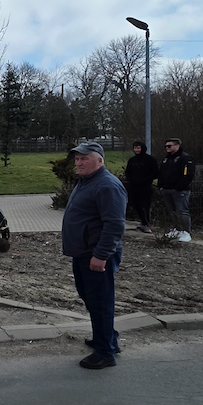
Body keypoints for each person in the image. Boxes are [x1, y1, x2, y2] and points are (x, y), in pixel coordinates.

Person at [61, 141, 126, 370]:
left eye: (84, 159)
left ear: (99, 160)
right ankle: (107, 338)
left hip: (96, 254)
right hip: (83, 252)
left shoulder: (107, 185)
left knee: (100, 302)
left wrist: (101, 255)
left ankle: (105, 353)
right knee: (90, 297)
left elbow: (114, 225)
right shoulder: (87, 181)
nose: (79, 163)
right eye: (77, 159)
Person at [158, 137, 196, 243]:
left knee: (182, 211)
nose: (167, 148)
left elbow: (188, 174)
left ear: (177, 146)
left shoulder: (185, 158)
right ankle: (177, 229)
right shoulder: (166, 159)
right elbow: (161, 172)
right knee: (172, 211)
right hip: (167, 189)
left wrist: (180, 186)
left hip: (180, 190)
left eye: (169, 146)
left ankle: (186, 232)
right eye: (166, 146)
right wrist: (161, 185)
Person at [124, 141, 159, 233]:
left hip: (145, 187)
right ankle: (142, 222)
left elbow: (155, 173)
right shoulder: (132, 160)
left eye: (138, 148)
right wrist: (130, 179)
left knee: (145, 206)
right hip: (134, 187)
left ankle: (146, 224)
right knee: (137, 205)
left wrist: (145, 180)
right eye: (135, 148)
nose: (136, 150)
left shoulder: (150, 159)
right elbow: (128, 172)